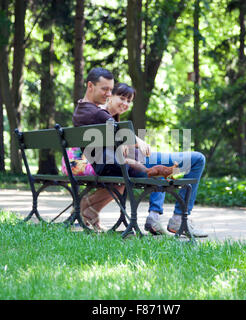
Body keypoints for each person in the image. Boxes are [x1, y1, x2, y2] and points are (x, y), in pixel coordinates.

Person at [73, 67, 207, 237]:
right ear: (90, 86)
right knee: (197, 159)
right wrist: (137, 140)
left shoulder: (84, 110)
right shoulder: (97, 113)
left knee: (166, 170)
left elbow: (114, 133)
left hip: (124, 163)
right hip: (130, 164)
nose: (108, 94)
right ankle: (178, 217)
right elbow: (118, 131)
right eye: (105, 90)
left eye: (110, 89)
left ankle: (156, 216)